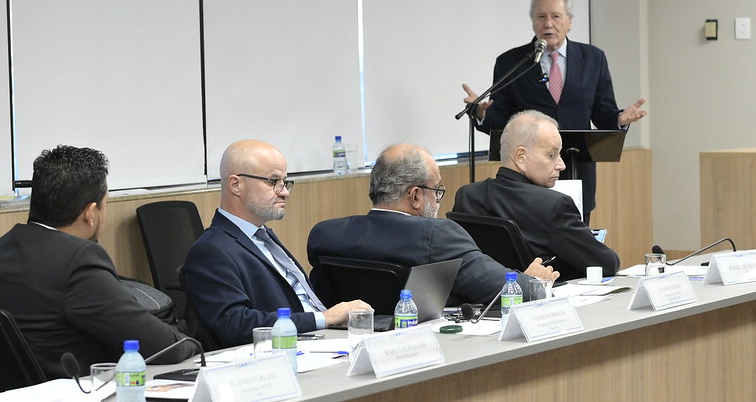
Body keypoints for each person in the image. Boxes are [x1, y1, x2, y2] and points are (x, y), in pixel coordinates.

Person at [0, 146, 196, 380]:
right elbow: (162, 345)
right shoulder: (77, 260)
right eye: (105, 204)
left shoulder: (7, 246)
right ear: (90, 214)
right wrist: (192, 341)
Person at [463, 0, 647, 224]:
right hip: (527, 177)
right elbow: (501, 122)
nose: (548, 23)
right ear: (533, 22)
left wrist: (619, 119)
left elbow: (603, 113)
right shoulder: (511, 62)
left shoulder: (593, 58)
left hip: (576, 170)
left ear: (569, 22)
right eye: (541, 17)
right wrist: (480, 113)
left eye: (556, 16)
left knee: (577, 248)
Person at [307, 143, 559, 307]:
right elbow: (505, 290)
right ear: (415, 196)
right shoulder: (437, 235)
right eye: (436, 190)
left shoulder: (326, 234)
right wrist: (532, 281)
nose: (439, 199)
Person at [182, 140, 370, 347]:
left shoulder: (263, 236)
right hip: (286, 352)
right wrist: (324, 318)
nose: (285, 192)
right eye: (273, 182)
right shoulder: (211, 251)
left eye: (285, 182)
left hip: (324, 340)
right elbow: (234, 324)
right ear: (236, 185)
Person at [452, 110, 620, 281]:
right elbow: (607, 263)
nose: (561, 165)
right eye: (551, 155)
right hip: (537, 301)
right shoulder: (554, 205)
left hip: (482, 299)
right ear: (521, 156)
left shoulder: (466, 196)